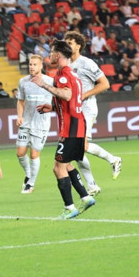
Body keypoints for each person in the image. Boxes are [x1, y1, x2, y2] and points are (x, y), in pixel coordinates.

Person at [32, 39, 96, 219]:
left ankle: (69, 208)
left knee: (57, 168)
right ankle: (85, 197)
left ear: (58, 55)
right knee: (66, 164)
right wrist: (52, 107)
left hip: (70, 128)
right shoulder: (73, 74)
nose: (49, 55)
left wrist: (44, 85)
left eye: (52, 52)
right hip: (78, 125)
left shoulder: (62, 74)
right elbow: (73, 100)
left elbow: (67, 95)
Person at [65, 31, 122, 196]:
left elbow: (105, 84)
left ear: (78, 46)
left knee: (80, 146)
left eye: (70, 43)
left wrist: (84, 95)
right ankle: (92, 186)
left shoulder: (87, 63)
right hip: (73, 110)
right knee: (77, 151)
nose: (67, 45)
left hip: (87, 108)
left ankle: (113, 159)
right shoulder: (66, 64)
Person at [15, 55, 54, 193]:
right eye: (30, 64)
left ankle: (30, 184)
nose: (31, 67)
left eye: (35, 64)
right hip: (26, 121)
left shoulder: (50, 81)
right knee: (20, 153)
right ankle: (28, 173)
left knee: (33, 155)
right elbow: (20, 101)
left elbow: (59, 98)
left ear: (41, 66)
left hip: (41, 124)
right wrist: (19, 116)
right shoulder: (23, 81)